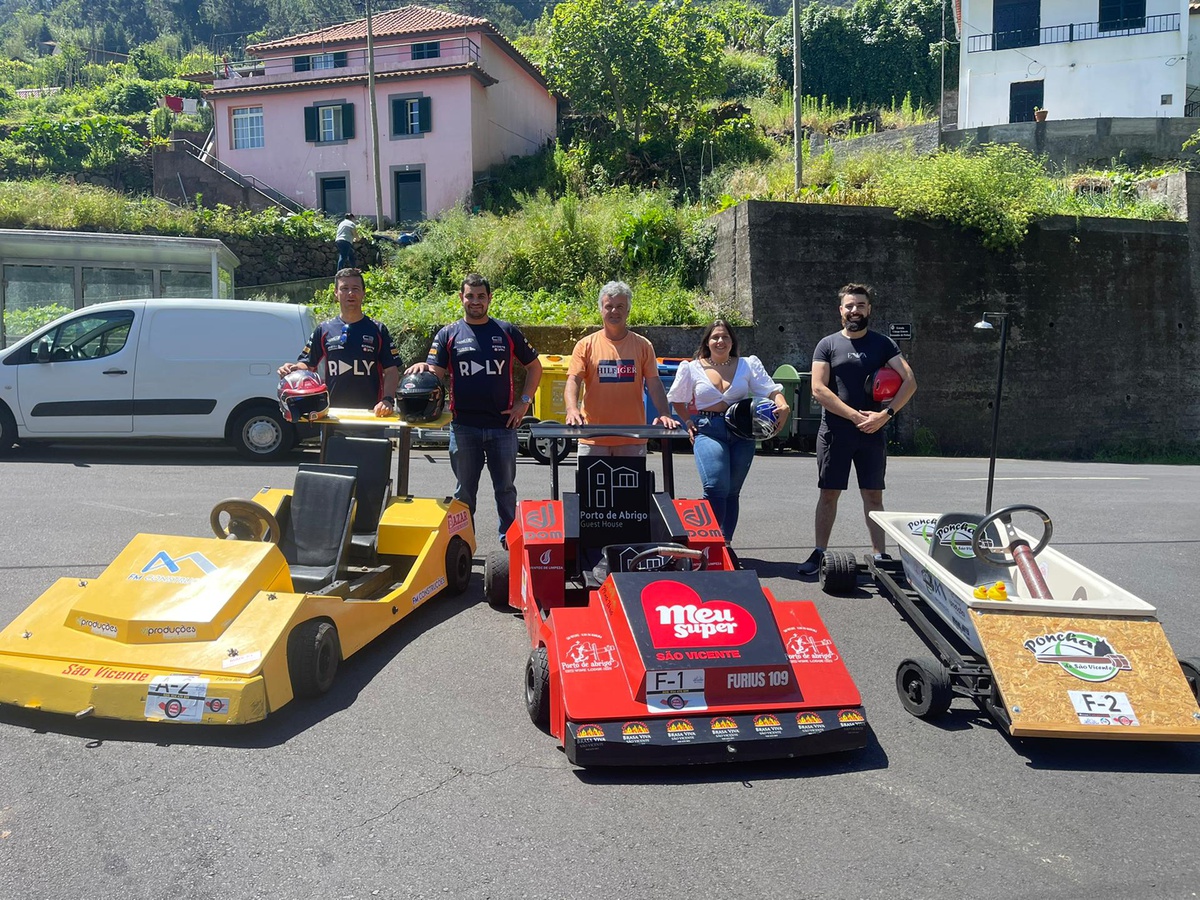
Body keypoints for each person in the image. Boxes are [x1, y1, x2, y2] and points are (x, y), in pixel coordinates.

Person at [406, 274, 542, 545]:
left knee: (505, 490)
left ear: (489, 298)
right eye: (470, 296)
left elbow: (534, 367)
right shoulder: (448, 333)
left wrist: (523, 402)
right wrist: (423, 367)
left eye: (481, 296)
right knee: (464, 492)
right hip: (463, 427)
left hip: (503, 427)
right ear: (461, 298)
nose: (475, 301)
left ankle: (510, 541)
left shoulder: (506, 331)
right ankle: (464, 543)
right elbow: (436, 373)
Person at [797, 283, 916, 575]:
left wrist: (885, 415)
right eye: (849, 306)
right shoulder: (827, 345)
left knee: (873, 495)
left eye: (860, 305)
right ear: (841, 311)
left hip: (873, 433)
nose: (855, 310)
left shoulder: (883, 345)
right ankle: (819, 552)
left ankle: (879, 556)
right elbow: (818, 388)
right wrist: (855, 416)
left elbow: (909, 381)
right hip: (836, 432)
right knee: (829, 493)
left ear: (869, 310)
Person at [667, 320, 789, 542]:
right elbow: (677, 399)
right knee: (715, 486)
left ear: (732, 342)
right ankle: (708, 542)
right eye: (715, 337)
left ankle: (725, 544)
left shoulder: (747, 364)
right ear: (707, 342)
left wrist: (782, 403)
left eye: (725, 337)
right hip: (709, 429)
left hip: (743, 432)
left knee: (732, 491)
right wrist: (687, 421)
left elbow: (770, 389)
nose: (720, 341)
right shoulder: (692, 367)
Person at [563, 281, 679, 456]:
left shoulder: (643, 345)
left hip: (632, 438)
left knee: (632, 484)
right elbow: (573, 380)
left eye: (620, 306)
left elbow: (654, 384)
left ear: (628, 310)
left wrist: (664, 413)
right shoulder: (585, 345)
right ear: (601, 310)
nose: (614, 311)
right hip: (593, 438)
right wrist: (572, 409)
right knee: (590, 484)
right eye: (608, 306)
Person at [278, 268, 400, 416]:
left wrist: (387, 400)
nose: (350, 293)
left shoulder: (378, 330)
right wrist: (292, 369)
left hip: (372, 414)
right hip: (332, 414)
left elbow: (391, 370)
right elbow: (307, 365)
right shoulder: (324, 330)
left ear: (363, 293)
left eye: (355, 288)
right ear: (336, 293)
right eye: (344, 288)